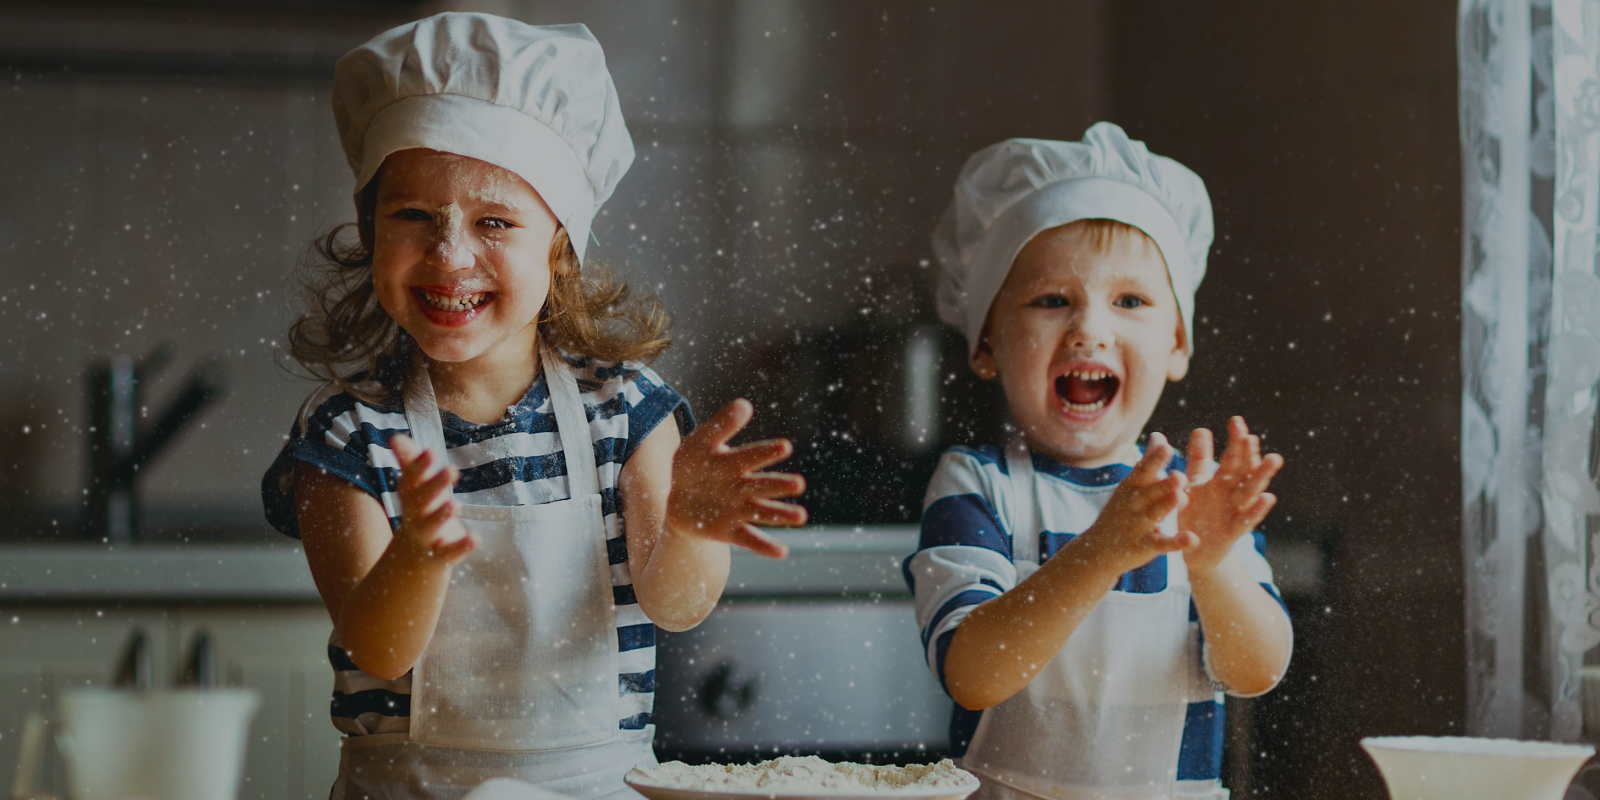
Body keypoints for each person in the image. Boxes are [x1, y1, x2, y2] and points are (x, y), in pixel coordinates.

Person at [259, 13, 805, 800]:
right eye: (412, 215)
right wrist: (418, 556)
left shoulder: (626, 410)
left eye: (493, 221)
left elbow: (675, 607)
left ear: (559, 245)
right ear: (369, 230)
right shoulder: (348, 436)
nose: (449, 254)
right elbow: (380, 650)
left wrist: (686, 526)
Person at [904, 123, 1293, 800]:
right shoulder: (978, 486)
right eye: (1052, 300)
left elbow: (1256, 670)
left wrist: (1209, 564)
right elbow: (972, 672)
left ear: (1176, 344)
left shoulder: (1196, 501)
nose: (1089, 328)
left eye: (1131, 302)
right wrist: (1100, 553)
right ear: (988, 341)